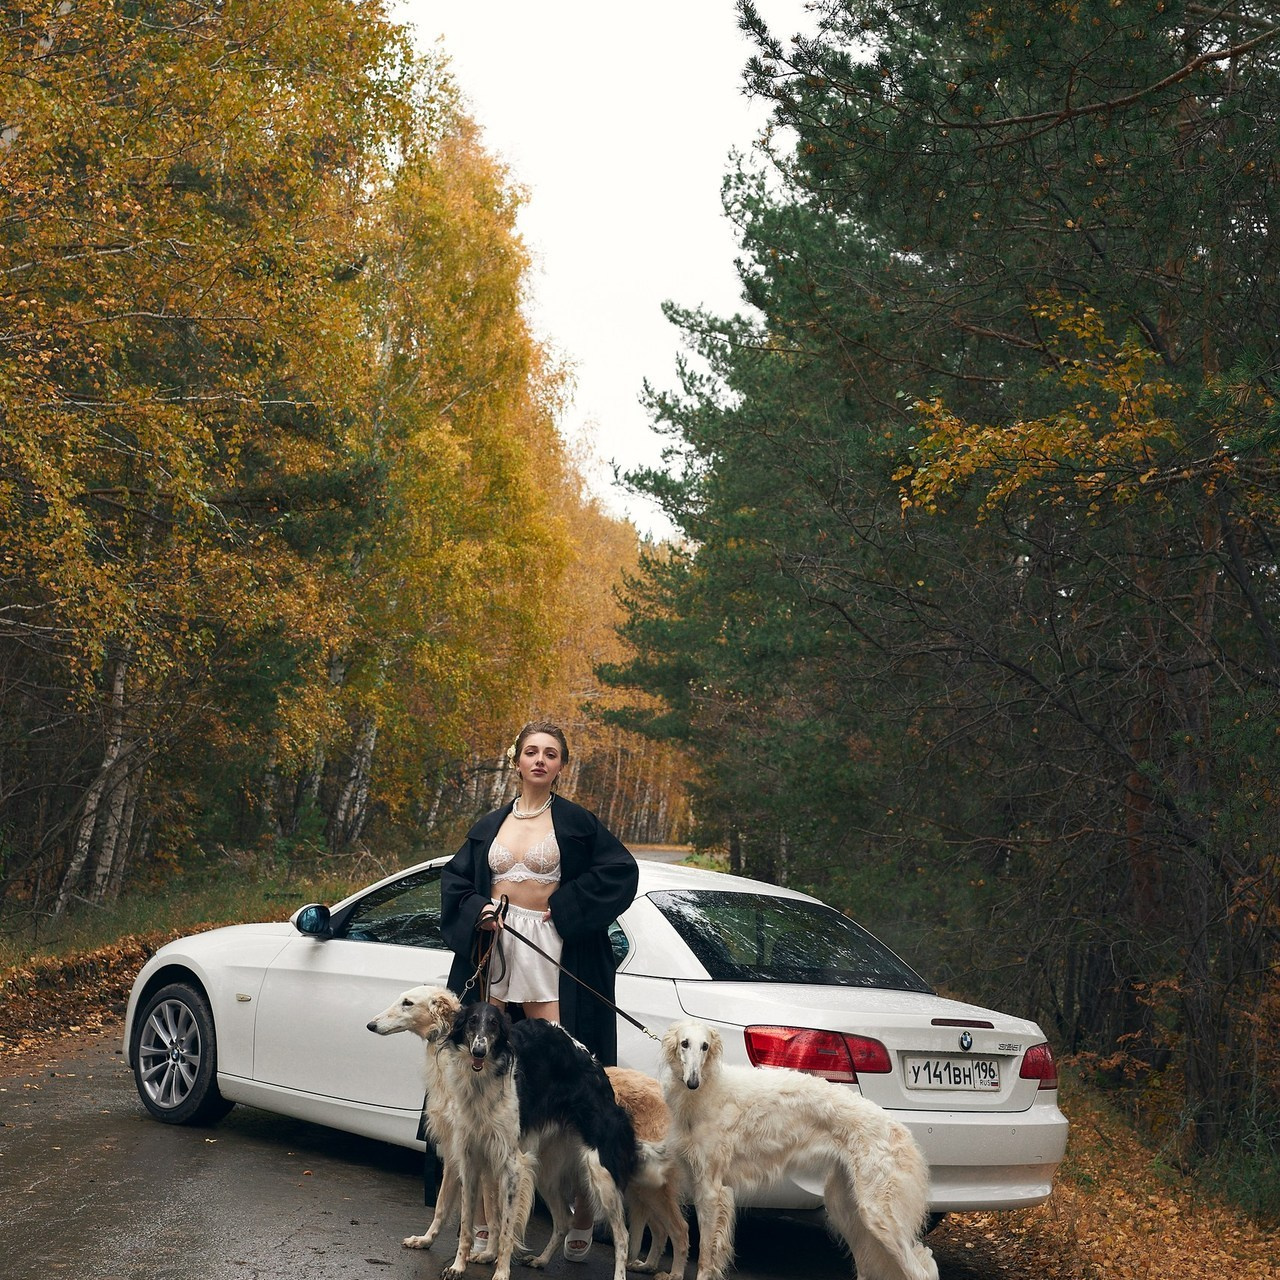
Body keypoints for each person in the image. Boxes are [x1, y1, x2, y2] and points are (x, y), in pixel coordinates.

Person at [440, 720, 639, 1262]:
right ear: (517, 759)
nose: (540, 760)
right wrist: (475, 912)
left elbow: (620, 872)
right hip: (495, 948)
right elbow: (455, 883)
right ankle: (482, 1223)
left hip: (555, 947)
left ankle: (577, 1211)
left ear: (561, 765)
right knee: (488, 1086)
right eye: (531, 751)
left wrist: (569, 908)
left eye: (551, 753)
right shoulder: (489, 824)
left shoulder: (577, 824)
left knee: (564, 1076)